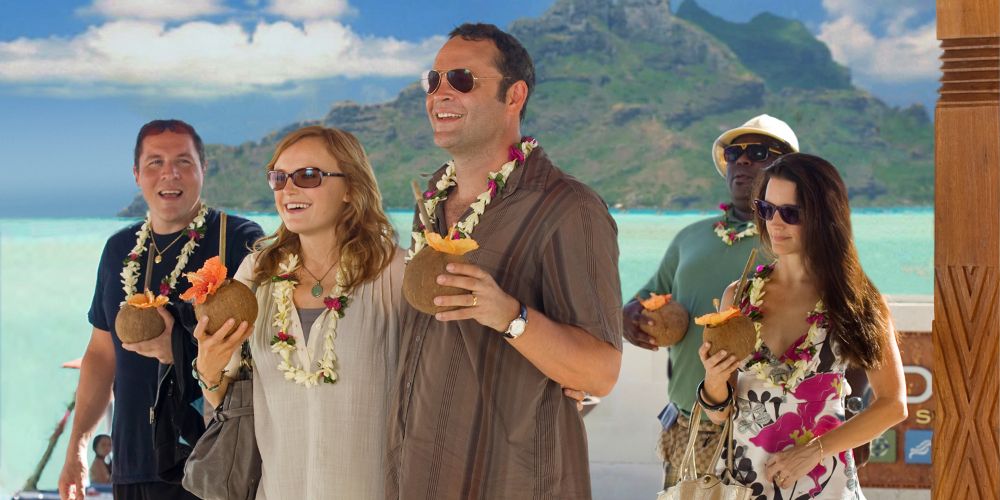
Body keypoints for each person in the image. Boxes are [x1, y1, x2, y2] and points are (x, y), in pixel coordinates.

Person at [385, 23, 622, 499]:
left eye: (462, 80)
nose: (441, 93)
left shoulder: (567, 207)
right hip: (417, 474)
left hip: (512, 480)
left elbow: (600, 372)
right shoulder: (430, 202)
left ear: (514, 96)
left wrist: (509, 316)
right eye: (432, 81)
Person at [192, 125, 403, 498]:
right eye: (278, 177)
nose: (287, 189)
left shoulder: (393, 273)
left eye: (308, 176)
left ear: (352, 188)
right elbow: (225, 400)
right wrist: (208, 367)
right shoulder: (255, 275)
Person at [58, 119, 263, 500]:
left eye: (184, 162)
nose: (170, 173)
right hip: (133, 462)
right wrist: (77, 449)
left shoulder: (238, 240)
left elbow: (263, 353)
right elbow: (102, 356)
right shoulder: (119, 249)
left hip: (214, 460)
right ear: (137, 175)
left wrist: (178, 350)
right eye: (155, 162)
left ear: (204, 169)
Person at [698, 153, 907, 498]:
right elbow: (722, 415)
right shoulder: (739, 296)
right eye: (766, 209)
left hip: (822, 484)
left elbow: (893, 404)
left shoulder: (856, 301)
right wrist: (714, 379)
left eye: (791, 213)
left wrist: (814, 450)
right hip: (743, 484)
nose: (775, 223)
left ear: (824, 218)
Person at [622, 114, 798, 486]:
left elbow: (848, 324)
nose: (743, 161)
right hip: (689, 422)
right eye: (735, 153)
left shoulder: (793, 241)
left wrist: (851, 406)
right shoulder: (690, 237)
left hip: (766, 429)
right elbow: (642, 303)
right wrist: (632, 320)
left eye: (759, 152)